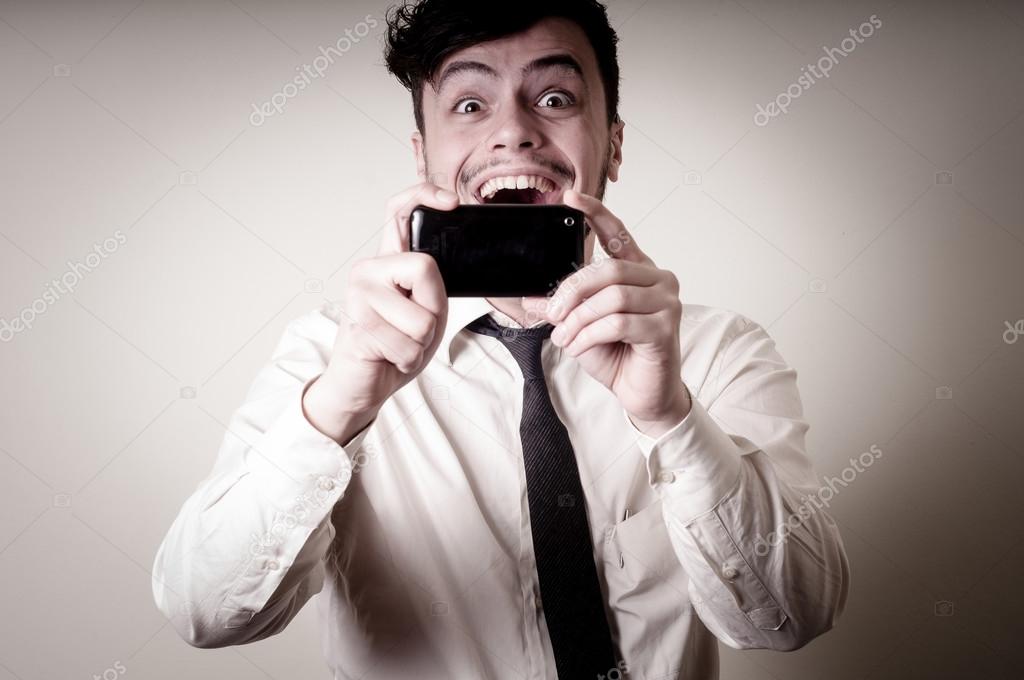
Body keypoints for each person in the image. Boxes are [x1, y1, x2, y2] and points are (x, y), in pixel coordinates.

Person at [152, 1, 849, 677]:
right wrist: (340, 408)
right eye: (469, 105)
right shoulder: (328, 357)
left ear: (614, 143)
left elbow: (792, 618)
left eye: (554, 99)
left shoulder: (718, 350)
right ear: (425, 157)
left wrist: (670, 418)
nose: (513, 132)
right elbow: (205, 614)